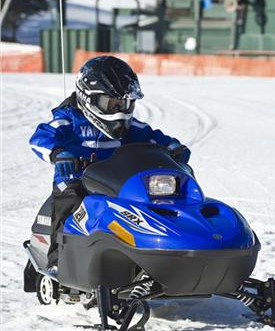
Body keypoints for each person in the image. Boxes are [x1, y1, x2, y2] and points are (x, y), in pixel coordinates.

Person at [29, 55, 190, 270]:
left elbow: (153, 138)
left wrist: (172, 148)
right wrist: (59, 154)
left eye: (125, 103)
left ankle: (156, 254)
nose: (120, 111)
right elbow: (40, 138)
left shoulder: (132, 128)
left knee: (152, 205)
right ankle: (59, 262)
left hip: (115, 183)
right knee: (72, 202)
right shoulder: (69, 120)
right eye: (112, 104)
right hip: (76, 180)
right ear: (89, 98)